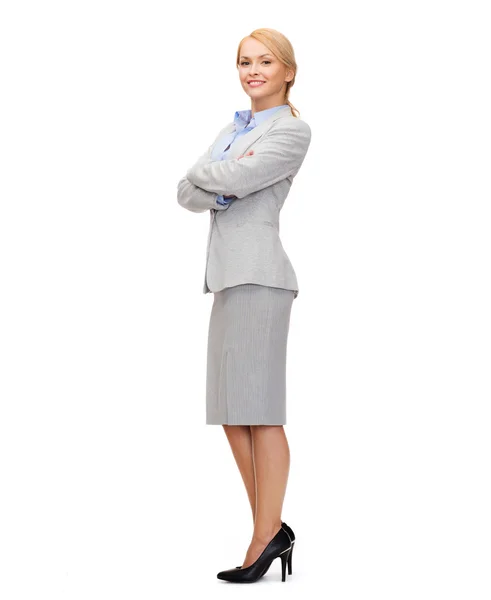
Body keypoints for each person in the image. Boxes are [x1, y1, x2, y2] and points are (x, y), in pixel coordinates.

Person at [177, 28, 312, 583]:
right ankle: (270, 527)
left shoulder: (292, 131)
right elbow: (185, 192)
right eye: (244, 62)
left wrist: (217, 178)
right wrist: (220, 181)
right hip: (228, 280)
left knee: (260, 410)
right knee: (232, 411)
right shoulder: (236, 130)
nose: (252, 71)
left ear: (287, 71)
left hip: (260, 279)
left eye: (264, 62)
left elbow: (229, 176)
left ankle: (263, 535)